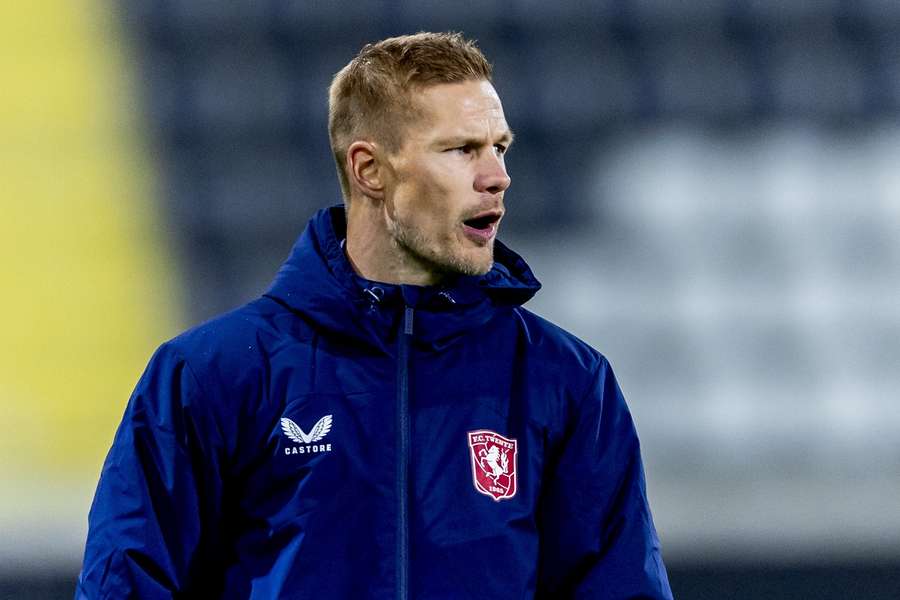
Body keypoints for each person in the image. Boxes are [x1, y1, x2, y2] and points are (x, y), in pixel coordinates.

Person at [76, 32, 672, 599]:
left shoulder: (565, 381)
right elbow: (126, 583)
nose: (497, 176)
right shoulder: (213, 374)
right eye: (462, 149)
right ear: (370, 170)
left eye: (499, 147)